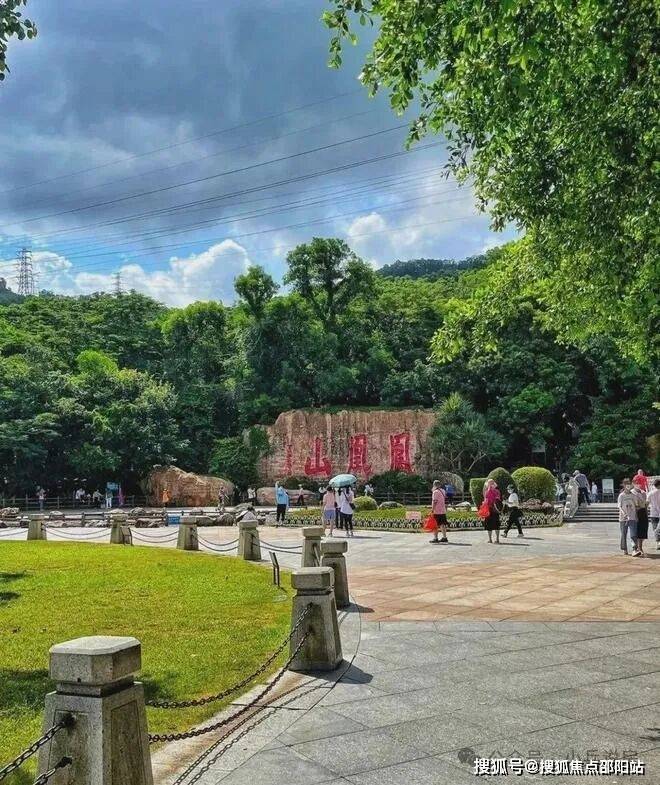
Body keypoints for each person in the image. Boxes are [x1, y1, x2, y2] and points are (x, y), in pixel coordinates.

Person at [617, 479, 637, 556]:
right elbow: (619, 506)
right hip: (623, 518)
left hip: (632, 517)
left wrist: (636, 515)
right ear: (624, 485)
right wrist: (624, 513)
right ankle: (624, 549)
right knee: (623, 534)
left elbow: (635, 505)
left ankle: (634, 549)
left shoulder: (633, 495)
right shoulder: (621, 495)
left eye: (629, 484)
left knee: (633, 533)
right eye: (627, 484)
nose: (628, 486)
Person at [631, 478, 649, 557]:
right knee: (636, 531)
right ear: (633, 484)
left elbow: (645, 504)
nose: (638, 484)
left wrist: (646, 513)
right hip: (635, 512)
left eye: (639, 483)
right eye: (636, 483)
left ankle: (640, 547)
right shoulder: (632, 492)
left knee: (643, 531)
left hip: (643, 512)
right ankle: (637, 548)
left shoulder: (643, 492)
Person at [483, 478, 502, 544]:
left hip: (490, 509)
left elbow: (486, 501)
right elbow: (498, 499)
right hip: (495, 510)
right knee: (496, 525)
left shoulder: (487, 491)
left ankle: (490, 539)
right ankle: (497, 539)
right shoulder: (497, 491)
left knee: (489, 525)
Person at [429, 480, 448, 544]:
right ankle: (444, 537)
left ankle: (435, 538)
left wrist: (432, 509)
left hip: (436, 511)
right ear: (440, 485)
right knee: (442, 524)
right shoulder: (443, 491)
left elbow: (435, 501)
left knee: (435, 525)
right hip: (442, 510)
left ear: (434, 485)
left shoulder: (435, 492)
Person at [648, 478, 660, 551]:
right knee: (658, 530)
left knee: (655, 529)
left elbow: (647, 502)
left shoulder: (650, 493)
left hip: (653, 514)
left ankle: (658, 543)